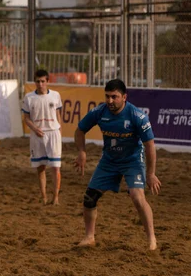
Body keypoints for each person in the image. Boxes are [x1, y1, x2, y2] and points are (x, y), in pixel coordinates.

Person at [73, 79, 161, 250]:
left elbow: (149, 145)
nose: (110, 101)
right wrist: (82, 152)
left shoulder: (137, 116)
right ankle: (89, 237)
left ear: (124, 97)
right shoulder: (99, 112)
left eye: (114, 97)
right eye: (107, 96)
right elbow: (79, 131)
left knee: (137, 197)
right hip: (109, 160)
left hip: (132, 160)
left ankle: (151, 239)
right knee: (89, 198)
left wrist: (150, 174)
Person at [21, 69, 63, 205]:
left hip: (53, 134)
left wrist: (59, 131)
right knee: (41, 167)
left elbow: (58, 115)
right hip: (37, 135)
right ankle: (44, 197)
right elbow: (26, 118)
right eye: (37, 81)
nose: (40, 84)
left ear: (47, 81)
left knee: (56, 167)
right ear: (35, 82)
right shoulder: (29, 97)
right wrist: (35, 129)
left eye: (43, 81)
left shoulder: (56, 95)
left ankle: (55, 197)